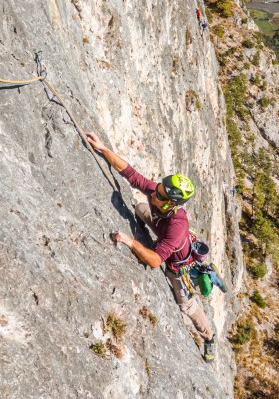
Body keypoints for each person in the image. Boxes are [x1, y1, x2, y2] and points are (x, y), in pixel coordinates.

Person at [85, 131, 217, 362]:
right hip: (160, 229)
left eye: (162, 193)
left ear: (172, 203)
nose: (155, 192)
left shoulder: (177, 226)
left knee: (186, 306)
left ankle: (209, 337)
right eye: (159, 188)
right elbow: (131, 175)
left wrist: (131, 241)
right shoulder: (160, 195)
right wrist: (103, 148)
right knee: (138, 208)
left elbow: (156, 260)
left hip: (177, 264)